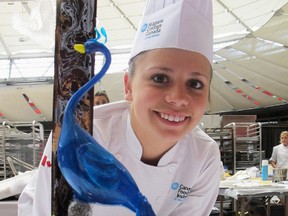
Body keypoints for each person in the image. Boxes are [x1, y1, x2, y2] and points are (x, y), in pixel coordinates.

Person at [18, 0, 221, 215]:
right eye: (160, 78)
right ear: (129, 86)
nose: (179, 98)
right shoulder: (82, 133)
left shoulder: (204, 156)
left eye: (195, 84)